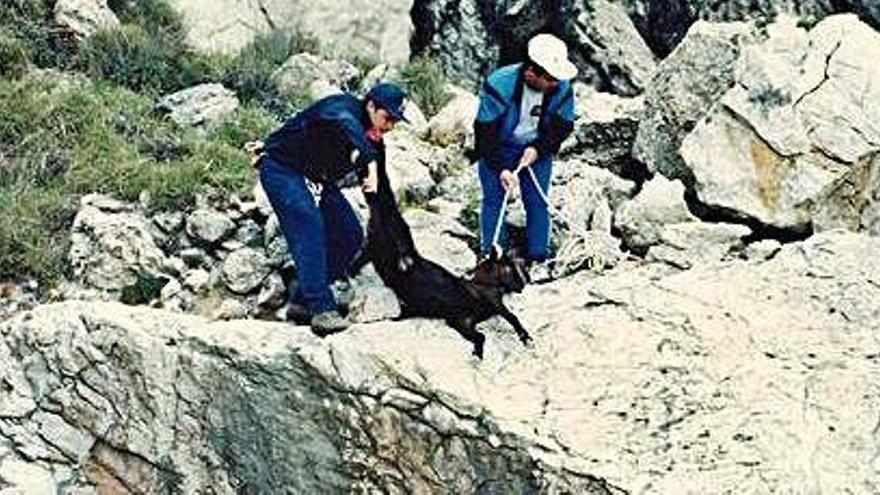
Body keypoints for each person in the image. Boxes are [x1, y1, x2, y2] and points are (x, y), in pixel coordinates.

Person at [258, 83, 408, 335]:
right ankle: (321, 309)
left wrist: (398, 238)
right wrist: (368, 158)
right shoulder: (341, 108)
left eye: (395, 121)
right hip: (282, 169)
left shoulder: (373, 141)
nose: (390, 126)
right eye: (387, 118)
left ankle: (303, 301)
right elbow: (343, 122)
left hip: (316, 178)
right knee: (308, 223)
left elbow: (381, 193)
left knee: (349, 235)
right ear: (371, 106)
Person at [473, 33, 577, 264]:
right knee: (493, 201)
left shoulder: (562, 88)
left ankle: (539, 257)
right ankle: (491, 256)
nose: (556, 84)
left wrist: (538, 149)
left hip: (536, 152)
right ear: (531, 72)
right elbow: (485, 132)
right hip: (499, 148)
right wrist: (501, 168)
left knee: (537, 202)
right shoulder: (500, 84)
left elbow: (563, 126)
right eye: (550, 79)